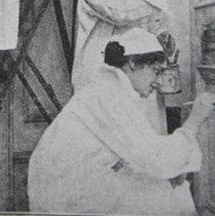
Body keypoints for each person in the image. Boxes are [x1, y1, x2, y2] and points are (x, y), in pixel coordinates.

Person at [28, 28, 214, 215]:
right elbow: (157, 159)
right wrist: (195, 121)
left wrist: (170, 170)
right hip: (66, 199)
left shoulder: (107, 89)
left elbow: (142, 155)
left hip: (64, 189)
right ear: (132, 63)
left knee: (165, 186)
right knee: (170, 197)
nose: (157, 82)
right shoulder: (110, 94)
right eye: (155, 71)